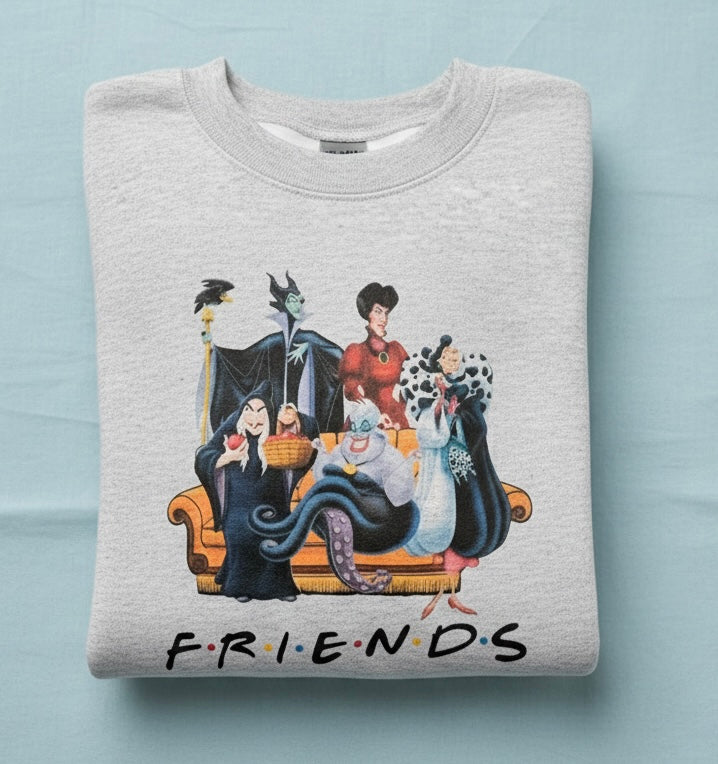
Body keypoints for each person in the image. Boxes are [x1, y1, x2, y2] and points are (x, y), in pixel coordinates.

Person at [399, 335, 509, 618]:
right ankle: (442, 594)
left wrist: (460, 417)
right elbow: (430, 434)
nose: (452, 361)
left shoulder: (468, 395)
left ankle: (448, 594)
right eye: (447, 357)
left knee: (466, 524)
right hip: (441, 473)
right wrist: (443, 410)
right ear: (438, 362)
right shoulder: (429, 393)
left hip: (466, 474)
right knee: (443, 522)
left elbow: (478, 430)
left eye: (456, 357)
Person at [194, 381, 307, 602]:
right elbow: (203, 456)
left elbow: (308, 432)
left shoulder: (276, 436)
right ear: (242, 413)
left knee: (277, 536)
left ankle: (280, 587)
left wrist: (292, 416)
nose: (254, 418)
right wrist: (227, 457)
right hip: (238, 507)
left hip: (274, 507)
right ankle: (240, 586)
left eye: (260, 412)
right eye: (249, 411)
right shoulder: (230, 433)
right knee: (241, 532)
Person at [203, 271, 344, 434]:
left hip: (306, 408)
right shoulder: (273, 342)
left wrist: (310, 348)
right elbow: (243, 360)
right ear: (284, 304)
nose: (297, 305)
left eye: (298, 300)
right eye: (292, 300)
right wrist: (214, 350)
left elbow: (340, 355)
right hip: (277, 405)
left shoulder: (309, 338)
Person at [338, 282, 409, 429]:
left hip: (398, 424)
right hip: (367, 424)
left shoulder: (396, 349)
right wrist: (374, 416)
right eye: (378, 311)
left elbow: (412, 382)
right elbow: (351, 391)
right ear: (367, 313)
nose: (384, 319)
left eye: (386, 313)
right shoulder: (356, 351)